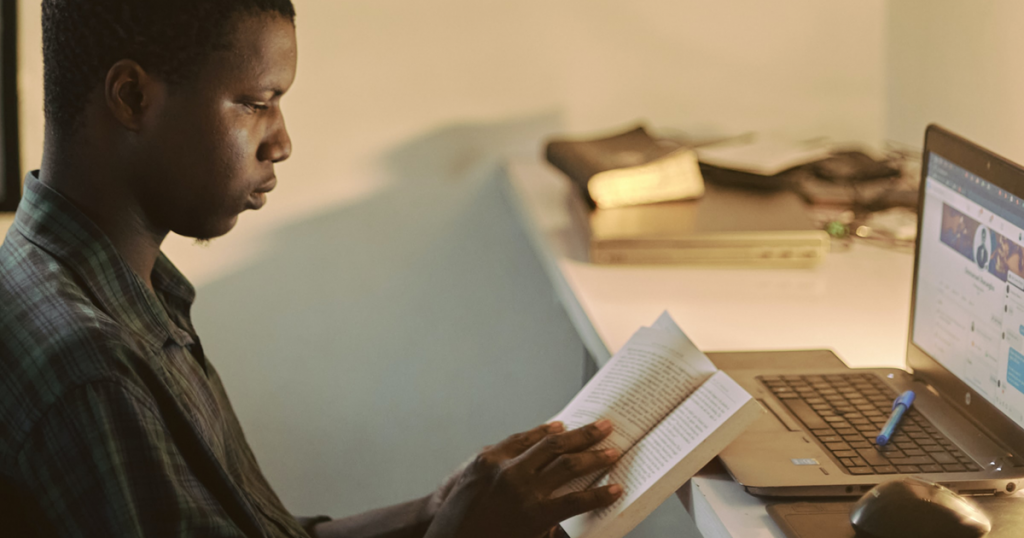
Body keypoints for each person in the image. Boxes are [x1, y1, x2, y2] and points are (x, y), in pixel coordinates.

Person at [0, 1, 623, 536]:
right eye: (255, 103)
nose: (281, 142)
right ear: (133, 97)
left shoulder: (118, 290)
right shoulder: (93, 373)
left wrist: (439, 508)